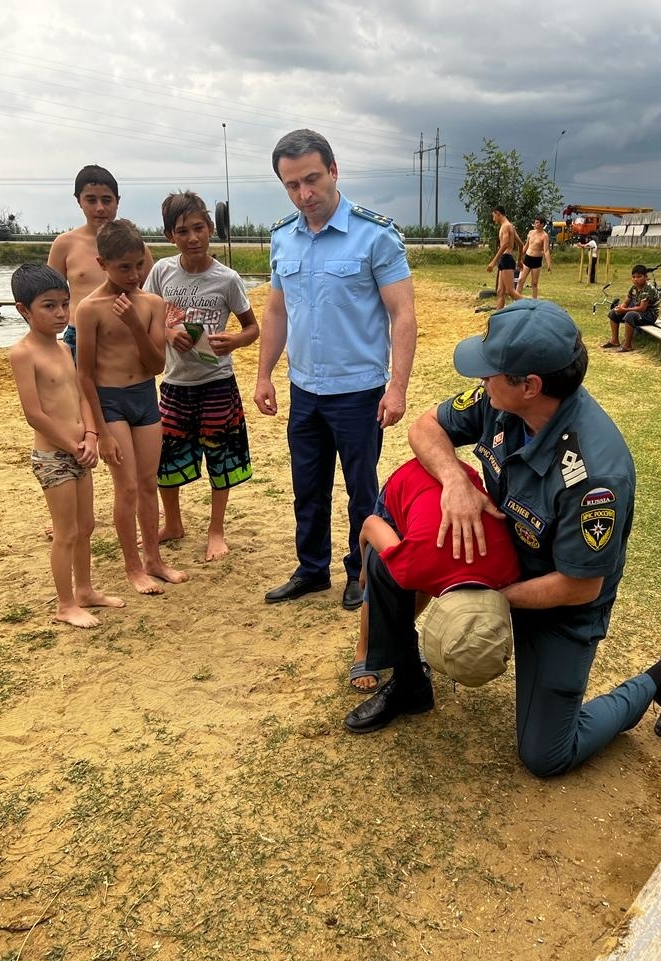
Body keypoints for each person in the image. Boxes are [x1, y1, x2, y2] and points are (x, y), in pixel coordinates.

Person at [346, 300, 661, 777]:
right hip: (503, 561)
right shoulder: (501, 403)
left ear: (530, 386)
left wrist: (482, 602)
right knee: (393, 568)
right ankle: (409, 680)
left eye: (492, 370)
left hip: (557, 601)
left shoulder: (595, 476)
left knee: (547, 755)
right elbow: (426, 426)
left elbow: (580, 586)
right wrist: (453, 480)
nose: (482, 379)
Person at [255, 128, 417, 611]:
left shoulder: (375, 235)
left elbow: (402, 315)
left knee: (361, 490)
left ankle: (360, 571)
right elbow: (276, 313)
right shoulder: (283, 238)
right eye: (291, 185)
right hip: (305, 388)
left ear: (333, 171)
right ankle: (311, 569)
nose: (304, 194)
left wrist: (398, 387)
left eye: (311, 179)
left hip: (359, 391)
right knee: (308, 486)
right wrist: (264, 374)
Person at [143, 191, 260, 561]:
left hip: (217, 382)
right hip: (175, 383)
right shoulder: (161, 272)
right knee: (167, 455)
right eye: (182, 231)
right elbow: (146, 317)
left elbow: (252, 328)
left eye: (198, 228)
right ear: (169, 236)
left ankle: (216, 530)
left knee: (220, 454)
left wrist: (235, 342)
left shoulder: (227, 279)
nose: (192, 237)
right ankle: (173, 522)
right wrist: (165, 333)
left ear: (210, 229)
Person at [8, 264, 124, 628]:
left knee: (86, 525)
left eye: (64, 304)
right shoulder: (23, 353)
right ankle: (64, 604)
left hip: (80, 449)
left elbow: (82, 396)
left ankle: (85, 590)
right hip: (54, 455)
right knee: (66, 532)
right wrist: (73, 446)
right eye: (48, 306)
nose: (60, 313)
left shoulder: (62, 347)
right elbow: (35, 414)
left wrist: (91, 435)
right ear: (23, 310)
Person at [76, 219, 188, 595]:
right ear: (102, 263)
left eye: (139, 265)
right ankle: (133, 567)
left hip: (144, 397)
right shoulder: (89, 309)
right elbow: (85, 375)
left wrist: (136, 325)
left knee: (146, 483)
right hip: (110, 402)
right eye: (124, 267)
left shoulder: (152, 303)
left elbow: (157, 365)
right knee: (124, 488)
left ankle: (154, 559)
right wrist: (101, 432)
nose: (134, 274)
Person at [348, 457, 520, 694]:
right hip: (410, 482)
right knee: (382, 582)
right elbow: (371, 524)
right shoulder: (413, 566)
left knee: (425, 579)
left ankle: (399, 635)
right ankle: (364, 649)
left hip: (453, 491)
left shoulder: (509, 570)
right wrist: (365, 568)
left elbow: (436, 575)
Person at [47, 164, 153, 363]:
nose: (100, 208)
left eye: (106, 200)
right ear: (79, 201)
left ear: (117, 201)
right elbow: (47, 299)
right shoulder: (64, 244)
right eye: (91, 200)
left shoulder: (137, 249)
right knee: (79, 392)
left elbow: (151, 294)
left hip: (125, 331)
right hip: (78, 333)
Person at [603, 264, 660, 352]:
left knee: (630, 315)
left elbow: (642, 308)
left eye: (639, 277)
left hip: (649, 315)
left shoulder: (648, 289)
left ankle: (628, 345)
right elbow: (626, 302)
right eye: (633, 277)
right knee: (613, 313)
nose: (636, 279)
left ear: (646, 277)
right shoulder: (634, 288)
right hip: (638, 312)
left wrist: (624, 310)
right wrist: (620, 308)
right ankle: (614, 341)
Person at [486, 205, 523, 309]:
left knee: (510, 291)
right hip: (505, 259)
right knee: (500, 291)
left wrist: (493, 262)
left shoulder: (506, 226)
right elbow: (521, 244)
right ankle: (498, 316)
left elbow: (505, 245)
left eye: (494, 216)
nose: (493, 219)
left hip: (506, 258)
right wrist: (519, 260)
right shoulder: (510, 226)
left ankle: (533, 305)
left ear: (498, 213)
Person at [516, 216, 552, 298]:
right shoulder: (531, 232)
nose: (535, 224)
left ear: (542, 224)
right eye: (535, 222)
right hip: (528, 258)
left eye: (537, 223)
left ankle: (534, 301)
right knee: (521, 280)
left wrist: (549, 263)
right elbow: (526, 246)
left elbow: (546, 251)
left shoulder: (544, 236)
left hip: (537, 260)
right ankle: (516, 299)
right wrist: (520, 257)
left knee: (534, 283)